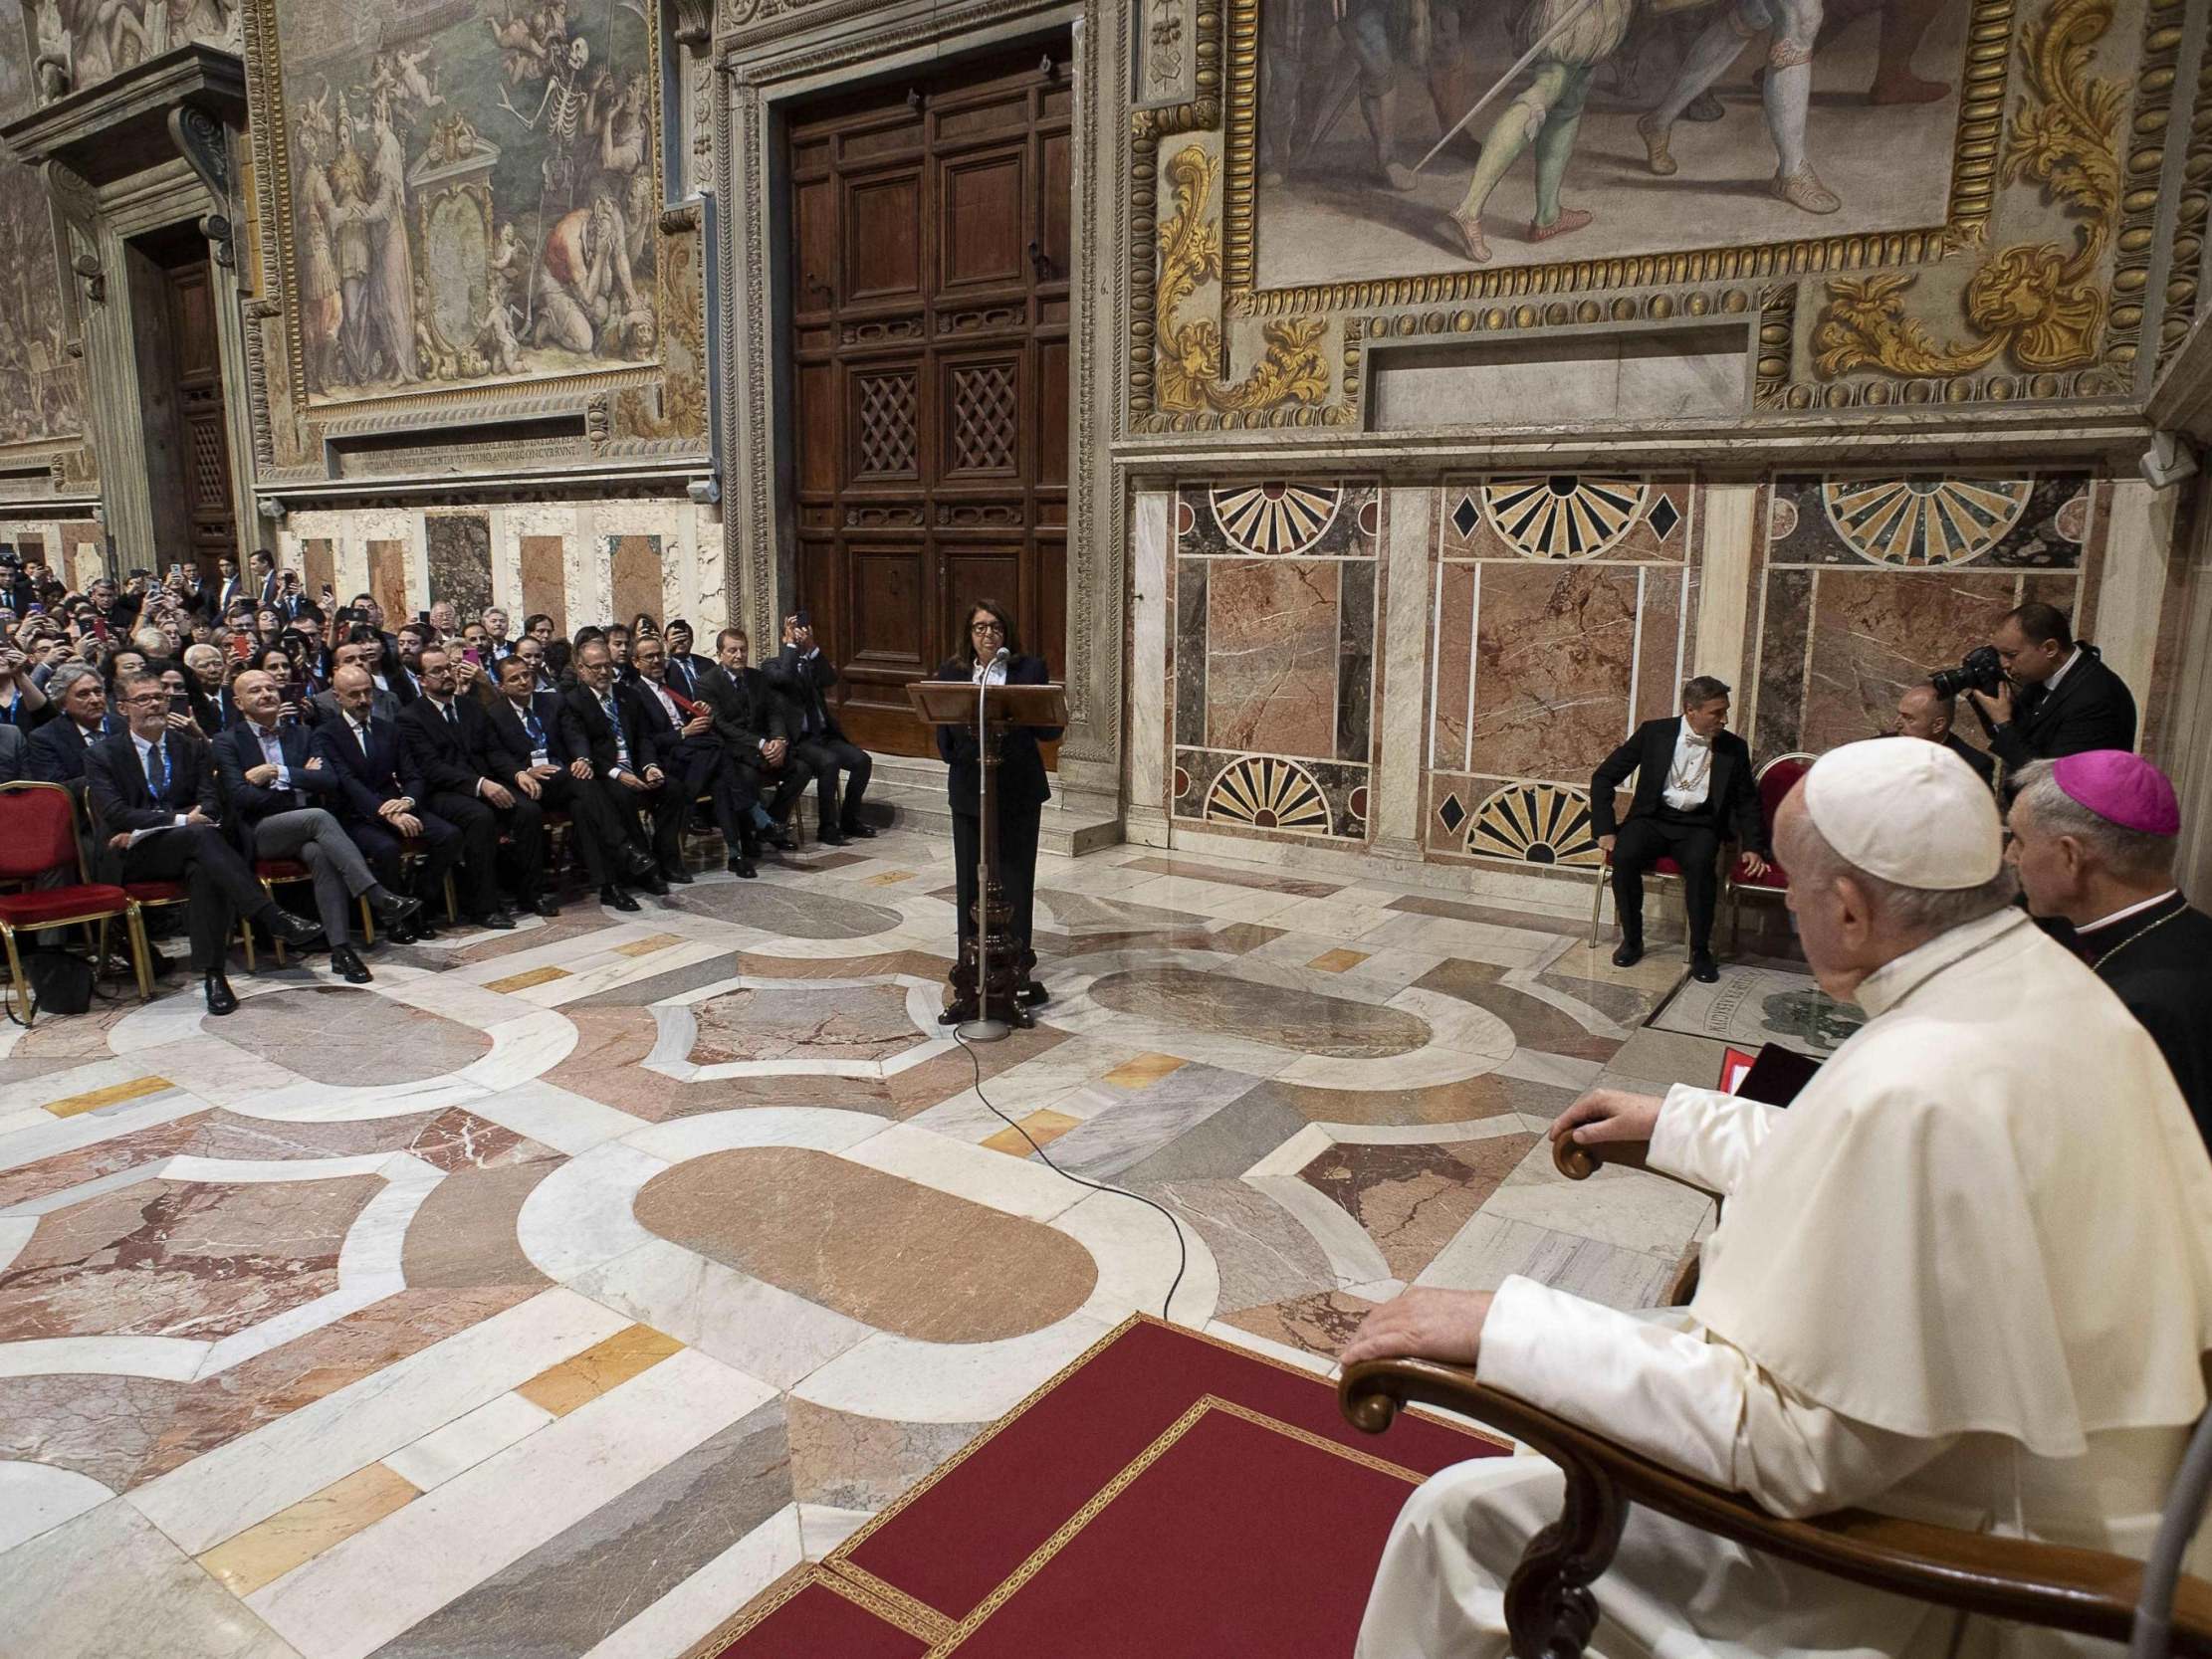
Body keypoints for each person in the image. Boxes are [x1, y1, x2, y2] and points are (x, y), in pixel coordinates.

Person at [1346, 737, 2212, 1659]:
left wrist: (1505, 1328)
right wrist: (1675, 1123)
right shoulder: (2033, 987)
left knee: (1458, 1521)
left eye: (1795, 883)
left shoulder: (1923, 1076)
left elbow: (1797, 1451)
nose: (1788, 900)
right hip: (1987, 1471)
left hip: (1946, 1566)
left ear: (1847, 907)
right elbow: (1881, 1175)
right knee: (1557, 1434)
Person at [2007, 751, 2211, 1148]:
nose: (2010, 857)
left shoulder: (2134, 1010)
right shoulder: (2192, 932)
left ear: (2070, 856)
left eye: (2019, 840)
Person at [88, 673, 325, 1014]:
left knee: (203, 866)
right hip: (130, 851)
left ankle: (215, 975)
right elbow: (116, 813)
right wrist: (181, 820)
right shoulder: (102, 755)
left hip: (186, 844)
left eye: (161, 697)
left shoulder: (192, 747)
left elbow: (211, 802)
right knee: (201, 837)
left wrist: (179, 822)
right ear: (123, 708)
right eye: (144, 699)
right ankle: (269, 916)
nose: (155, 703)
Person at [216, 669, 422, 980]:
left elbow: (328, 780)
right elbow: (240, 796)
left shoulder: (302, 733)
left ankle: (341, 950)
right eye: (255, 690)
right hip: (262, 832)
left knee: (320, 854)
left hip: (307, 829)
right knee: (319, 816)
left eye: (271, 688)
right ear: (239, 702)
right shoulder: (226, 742)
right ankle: (378, 895)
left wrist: (276, 772)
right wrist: (301, 779)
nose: (267, 694)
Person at [1590, 675, 1770, 982]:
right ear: (1691, 709)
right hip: (1651, 819)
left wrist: (1752, 846)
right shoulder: (1654, 733)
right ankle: (1632, 940)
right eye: (1716, 712)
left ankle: (1701, 950)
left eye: (1725, 711)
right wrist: (1605, 830)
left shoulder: (1733, 748)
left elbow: (1747, 802)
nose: (1724, 719)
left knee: (1702, 866)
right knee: (1625, 855)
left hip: (1700, 824)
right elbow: (1604, 776)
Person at [934, 599, 1060, 1018]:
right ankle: (973, 975)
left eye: (996, 627)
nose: (988, 635)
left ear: (1007, 633)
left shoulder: (1029, 670)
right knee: (971, 881)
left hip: (1019, 789)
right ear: (967, 634)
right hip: (972, 789)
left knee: (1016, 879)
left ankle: (1015, 973)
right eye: (980, 627)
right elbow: (945, 742)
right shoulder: (952, 673)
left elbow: (1047, 728)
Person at [483, 653, 657, 911]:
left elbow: (574, 734)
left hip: (562, 778)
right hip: (526, 782)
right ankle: (625, 849)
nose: (523, 682)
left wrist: (582, 758)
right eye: (514, 678)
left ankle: (609, 886)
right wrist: (521, 773)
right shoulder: (493, 714)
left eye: (526, 675)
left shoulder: (552, 701)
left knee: (583, 802)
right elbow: (495, 754)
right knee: (584, 790)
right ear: (501, 686)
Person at [309, 665, 463, 938]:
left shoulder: (389, 730)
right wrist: (384, 812)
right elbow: (346, 782)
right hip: (356, 814)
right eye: (354, 694)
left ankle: (420, 903)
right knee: (386, 848)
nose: (363, 700)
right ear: (337, 697)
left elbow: (412, 774)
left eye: (367, 692)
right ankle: (393, 918)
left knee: (448, 835)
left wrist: (407, 800)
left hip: (397, 805)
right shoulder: (326, 734)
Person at [397, 646, 530, 926]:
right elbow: (432, 768)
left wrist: (517, 774)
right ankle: (484, 906)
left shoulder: (471, 707)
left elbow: (493, 751)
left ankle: (530, 892)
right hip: (441, 793)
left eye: (448, 668)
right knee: (480, 817)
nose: (446, 675)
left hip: (480, 784)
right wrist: (481, 785)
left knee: (527, 810)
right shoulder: (411, 717)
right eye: (437, 671)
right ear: (422, 680)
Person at [559, 637, 677, 892]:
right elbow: (582, 749)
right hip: (605, 773)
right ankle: (644, 866)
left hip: (635, 766)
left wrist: (650, 765)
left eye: (607, 665)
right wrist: (617, 774)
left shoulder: (628, 694)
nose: (604, 672)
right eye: (596, 667)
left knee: (673, 790)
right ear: (581, 669)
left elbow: (643, 737)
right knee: (622, 796)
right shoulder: (573, 701)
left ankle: (667, 858)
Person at [694, 626, 808, 878]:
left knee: (801, 769)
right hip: (735, 749)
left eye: (743, 650)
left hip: (765, 745)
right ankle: (748, 840)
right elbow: (720, 725)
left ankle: (771, 825)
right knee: (745, 779)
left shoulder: (757, 678)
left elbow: (773, 713)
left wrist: (779, 740)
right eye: (732, 650)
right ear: (720, 654)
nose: (738, 655)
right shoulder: (707, 683)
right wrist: (760, 744)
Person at [1970, 601, 2136, 768]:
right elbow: (2020, 734)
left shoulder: (2096, 698)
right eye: (1999, 654)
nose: (2004, 664)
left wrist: (2003, 722)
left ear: (2050, 648)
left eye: (2011, 655)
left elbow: (2053, 778)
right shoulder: (2040, 677)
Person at [768, 611, 873, 844]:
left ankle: (849, 819)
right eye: (793, 631)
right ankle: (827, 827)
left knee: (862, 761)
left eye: (803, 630)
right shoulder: (771, 666)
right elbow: (784, 678)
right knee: (829, 761)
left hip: (824, 735)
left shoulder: (811, 664)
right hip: (799, 740)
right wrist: (791, 646)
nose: (799, 634)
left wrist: (812, 646)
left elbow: (830, 679)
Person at [25, 663, 120, 787]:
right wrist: (114, 777)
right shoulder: (44, 738)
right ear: (62, 702)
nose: (95, 700)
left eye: (98, 692)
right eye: (83, 694)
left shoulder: (122, 725)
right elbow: (56, 789)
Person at [1891, 681, 1993, 784]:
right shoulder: (1877, 745)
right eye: (1899, 714)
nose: (1896, 723)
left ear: (1938, 725)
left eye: (1909, 718)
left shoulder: (1973, 767)